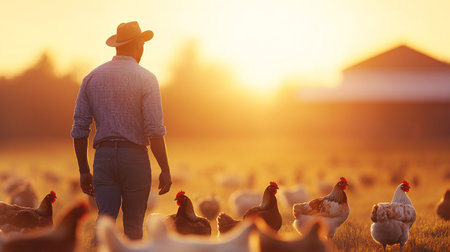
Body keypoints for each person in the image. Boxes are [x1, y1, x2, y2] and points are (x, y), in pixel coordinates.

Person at [71, 21, 172, 240]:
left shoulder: (91, 78)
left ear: (117, 45)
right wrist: (164, 168)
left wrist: (83, 170)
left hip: (103, 158)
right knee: (134, 226)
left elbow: (80, 129)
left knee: (104, 223)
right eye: (142, 45)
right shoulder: (147, 78)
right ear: (138, 46)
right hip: (135, 157)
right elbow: (154, 130)